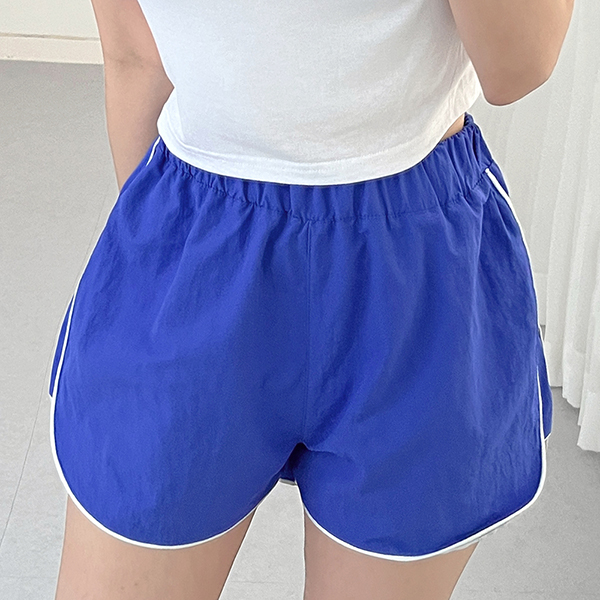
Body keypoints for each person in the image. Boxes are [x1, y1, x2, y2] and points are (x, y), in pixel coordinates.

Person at [48, 0, 573, 598]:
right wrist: (157, 263)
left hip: (413, 269)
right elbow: (135, 53)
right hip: (194, 243)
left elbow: (519, 64)